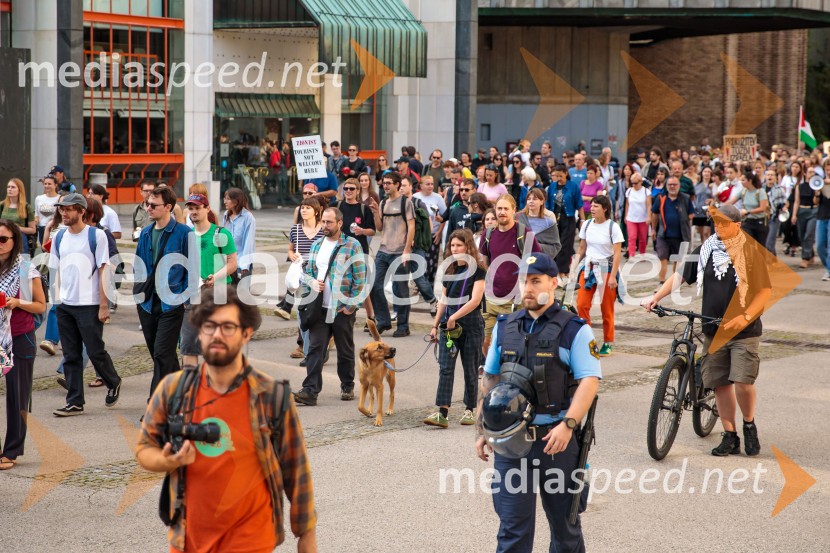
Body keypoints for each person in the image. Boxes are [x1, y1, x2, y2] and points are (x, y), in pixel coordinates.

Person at [136, 286, 318, 553]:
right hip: (188, 540)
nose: (217, 335)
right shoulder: (174, 390)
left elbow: (297, 472)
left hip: (252, 540)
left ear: (246, 334)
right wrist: (168, 460)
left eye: (228, 327)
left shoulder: (272, 397)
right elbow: (144, 449)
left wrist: (306, 536)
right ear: (199, 331)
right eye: (209, 326)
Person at [476, 252, 601, 553]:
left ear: (554, 283)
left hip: (556, 442)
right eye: (523, 281)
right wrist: (483, 429)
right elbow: (490, 379)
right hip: (510, 443)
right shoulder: (505, 327)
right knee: (512, 529)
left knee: (565, 531)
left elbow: (590, 381)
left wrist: (569, 425)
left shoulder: (575, 329)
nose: (527, 288)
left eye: (535, 281)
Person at [643, 205, 769, 457]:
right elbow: (680, 276)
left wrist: (744, 316)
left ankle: (748, 424)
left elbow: (764, 293)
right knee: (720, 384)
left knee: (743, 381)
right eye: (716, 223)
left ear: (738, 224)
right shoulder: (706, 249)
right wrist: (655, 297)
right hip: (713, 328)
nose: (719, 228)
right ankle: (730, 434)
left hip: (744, 331)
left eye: (724, 223)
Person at [49, 193, 122, 416]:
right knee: (71, 355)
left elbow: (104, 269)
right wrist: (56, 299)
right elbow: (55, 269)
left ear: (82, 211)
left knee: (94, 350)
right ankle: (75, 401)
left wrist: (103, 304)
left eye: (69, 209)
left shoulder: (96, 235)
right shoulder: (59, 237)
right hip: (65, 304)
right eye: (62, 209)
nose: (64, 213)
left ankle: (113, 380)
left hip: (89, 304)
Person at [293, 207, 366, 406]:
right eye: (323, 222)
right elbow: (305, 272)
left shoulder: (352, 245)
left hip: (341, 307)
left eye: (329, 222)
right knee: (315, 349)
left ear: (340, 223)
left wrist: (352, 306)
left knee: (344, 348)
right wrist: (312, 282)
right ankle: (310, 391)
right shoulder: (317, 244)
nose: (324, 226)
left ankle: (347, 384)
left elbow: (361, 279)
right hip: (319, 307)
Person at [424, 229, 486, 428]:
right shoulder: (449, 269)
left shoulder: (478, 270)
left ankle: (469, 409)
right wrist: (435, 326)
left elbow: (476, 300)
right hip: (449, 325)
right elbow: (443, 300)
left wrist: (454, 317)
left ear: (468, 246)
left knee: (470, 369)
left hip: (471, 324)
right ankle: (442, 412)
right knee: (445, 368)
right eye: (452, 245)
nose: (455, 249)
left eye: (459, 245)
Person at [135, 186, 192, 401]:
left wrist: (185, 299)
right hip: (148, 303)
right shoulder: (147, 233)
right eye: (147, 204)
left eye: (153, 205)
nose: (148, 208)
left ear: (168, 207)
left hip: (172, 303)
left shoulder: (184, 233)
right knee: (161, 355)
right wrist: (138, 297)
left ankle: (156, 404)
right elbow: (139, 265)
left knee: (161, 352)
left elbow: (192, 269)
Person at [0, 220, 47, 470]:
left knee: (17, 395)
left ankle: (12, 451)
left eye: (3, 240)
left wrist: (17, 302)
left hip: (19, 337)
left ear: (14, 241)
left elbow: (40, 305)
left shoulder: (25, 268)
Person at [479, 194, 542, 355]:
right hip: (491, 298)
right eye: (499, 208)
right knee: (487, 340)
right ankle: (491, 370)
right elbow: (483, 263)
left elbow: (538, 265)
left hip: (516, 301)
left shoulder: (525, 234)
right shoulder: (488, 234)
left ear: (514, 210)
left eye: (506, 208)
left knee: (513, 343)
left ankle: (510, 374)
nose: (502, 212)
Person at [180, 193, 237, 368]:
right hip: (193, 294)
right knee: (189, 344)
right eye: (191, 208)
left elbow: (232, 263)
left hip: (218, 294)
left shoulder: (221, 233)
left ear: (207, 209)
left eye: (198, 208)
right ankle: (190, 387)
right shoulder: (187, 235)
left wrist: (215, 277)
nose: (194, 212)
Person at [369, 172, 418, 337]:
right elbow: (379, 227)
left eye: (389, 183)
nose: (386, 186)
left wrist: (406, 250)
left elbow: (412, 227)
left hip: (400, 252)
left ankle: (403, 326)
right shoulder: (383, 203)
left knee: (400, 290)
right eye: (384, 183)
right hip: (383, 250)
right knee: (374, 285)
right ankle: (383, 320)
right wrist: (376, 212)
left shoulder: (406, 203)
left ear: (397, 184)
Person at [575, 196, 624, 357]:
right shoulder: (587, 224)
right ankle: (588, 339)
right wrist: (573, 267)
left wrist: (612, 277)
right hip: (588, 267)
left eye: (596, 206)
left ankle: (608, 342)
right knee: (582, 304)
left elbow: (617, 253)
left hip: (607, 268)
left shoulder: (613, 227)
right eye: (591, 206)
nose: (592, 209)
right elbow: (582, 248)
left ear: (605, 208)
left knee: (606, 308)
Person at [289, 198, 324, 363]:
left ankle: (320, 351)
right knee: (302, 317)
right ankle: (310, 352)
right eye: (302, 207)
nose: (303, 210)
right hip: (301, 278)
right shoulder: (295, 229)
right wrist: (292, 255)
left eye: (308, 208)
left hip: (320, 278)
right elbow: (289, 250)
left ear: (316, 211)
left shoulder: (324, 230)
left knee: (320, 316)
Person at [651, 176, 695, 284]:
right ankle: (662, 281)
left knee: (678, 260)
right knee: (662, 257)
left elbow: (691, 214)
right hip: (663, 234)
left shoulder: (685, 198)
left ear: (679, 186)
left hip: (681, 235)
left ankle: (674, 282)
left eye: (674, 184)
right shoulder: (660, 198)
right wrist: (653, 229)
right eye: (670, 184)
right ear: (666, 186)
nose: (672, 186)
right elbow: (655, 214)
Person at [548, 165, 583, 283]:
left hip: (568, 218)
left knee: (565, 245)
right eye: (556, 176)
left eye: (561, 176)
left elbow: (579, 204)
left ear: (566, 174)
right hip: (554, 219)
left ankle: (563, 271)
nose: (558, 179)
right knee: (556, 244)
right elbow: (548, 204)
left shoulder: (573, 186)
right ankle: (558, 271)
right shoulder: (552, 186)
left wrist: (582, 221)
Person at [414, 175, 447, 284]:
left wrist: (439, 232)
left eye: (432, 184)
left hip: (433, 235)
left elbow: (444, 217)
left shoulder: (437, 198)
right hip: (419, 235)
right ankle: (420, 285)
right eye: (427, 184)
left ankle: (430, 284)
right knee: (420, 261)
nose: (430, 186)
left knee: (432, 262)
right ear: (421, 185)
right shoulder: (415, 197)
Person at [516, 187, 561, 259]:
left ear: (542, 201)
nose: (531, 201)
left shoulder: (549, 222)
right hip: (518, 259)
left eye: (534, 199)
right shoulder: (517, 217)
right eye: (529, 199)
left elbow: (556, 246)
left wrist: (536, 246)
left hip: (539, 260)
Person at [223, 187, 256, 280]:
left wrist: (244, 265)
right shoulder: (226, 215)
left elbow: (249, 242)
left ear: (236, 201)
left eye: (228, 199)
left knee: (242, 293)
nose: (225, 201)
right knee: (230, 292)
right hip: (228, 262)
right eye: (224, 198)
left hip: (242, 262)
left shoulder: (248, 217)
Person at [791, 165, 820, 269]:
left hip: (813, 210)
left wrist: (817, 193)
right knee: (802, 235)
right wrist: (794, 215)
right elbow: (796, 201)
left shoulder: (816, 185)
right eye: (810, 172)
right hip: (802, 211)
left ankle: (805, 258)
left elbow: (816, 201)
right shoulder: (800, 186)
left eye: (813, 172)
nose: (811, 174)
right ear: (805, 174)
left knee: (809, 235)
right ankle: (810, 254)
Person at [0, 179, 36, 254]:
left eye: (13, 187)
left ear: (19, 190)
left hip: (20, 239)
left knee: (22, 264)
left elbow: (33, 230)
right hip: (3, 239)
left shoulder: (26, 207)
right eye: (8, 187)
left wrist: (17, 228)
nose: (10, 189)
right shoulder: (2, 205)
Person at [738, 170, 770, 247]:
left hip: (760, 222)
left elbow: (762, 208)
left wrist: (748, 212)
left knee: (761, 246)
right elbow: (731, 201)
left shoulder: (760, 191)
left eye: (743, 180)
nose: (741, 182)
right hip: (748, 222)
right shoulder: (743, 191)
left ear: (750, 181)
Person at [624, 171, 652, 257]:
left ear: (640, 182)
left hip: (643, 218)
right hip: (631, 218)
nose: (634, 185)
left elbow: (648, 204)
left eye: (636, 183)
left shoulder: (646, 191)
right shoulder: (629, 191)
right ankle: (631, 255)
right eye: (632, 183)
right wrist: (626, 215)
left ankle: (642, 254)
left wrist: (649, 216)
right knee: (632, 237)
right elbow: (627, 204)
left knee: (643, 238)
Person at [764, 168, 788, 255]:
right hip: (762, 217)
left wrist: (784, 208)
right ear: (765, 177)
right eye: (768, 175)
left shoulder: (779, 189)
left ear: (775, 178)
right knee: (765, 241)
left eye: (772, 175)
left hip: (774, 217)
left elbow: (785, 202)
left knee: (769, 242)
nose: (770, 176)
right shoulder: (761, 188)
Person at [34, 175, 60, 245]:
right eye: (45, 184)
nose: (47, 186)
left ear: (55, 185)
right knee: (44, 249)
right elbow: (36, 215)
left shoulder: (59, 198)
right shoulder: (39, 198)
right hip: (42, 228)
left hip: (55, 228)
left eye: (49, 184)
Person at [816, 159, 830, 281]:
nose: (828, 168)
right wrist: (816, 192)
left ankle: (829, 271)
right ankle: (828, 267)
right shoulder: (819, 181)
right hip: (822, 215)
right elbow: (815, 202)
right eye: (826, 166)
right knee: (820, 245)